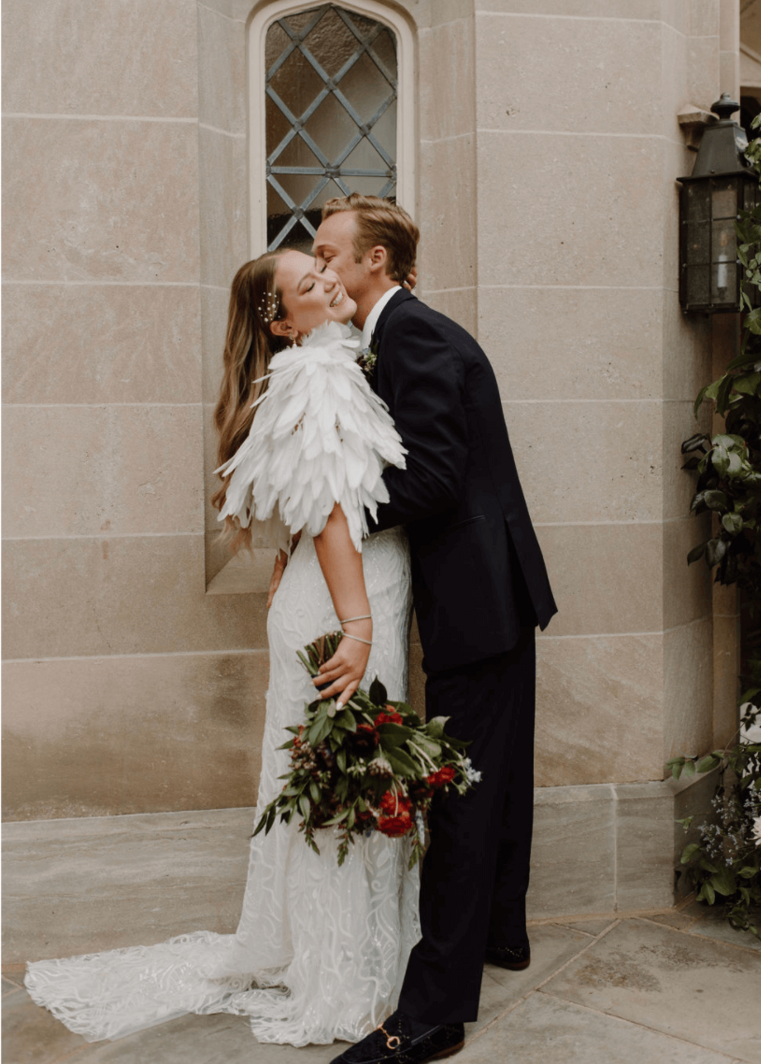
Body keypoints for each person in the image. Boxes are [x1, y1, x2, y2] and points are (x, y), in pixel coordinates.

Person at [23, 248, 421, 1047]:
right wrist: (359, 626)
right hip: (347, 607)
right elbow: (335, 513)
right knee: (346, 780)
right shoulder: (316, 376)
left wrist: (295, 566)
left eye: (323, 268)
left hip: (336, 593)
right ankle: (341, 974)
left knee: (341, 779)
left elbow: (308, 503)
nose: (330, 282)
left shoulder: (326, 365)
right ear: (281, 321)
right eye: (309, 285)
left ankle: (341, 954)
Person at [310, 194, 557, 1064]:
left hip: (475, 597)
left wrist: (336, 508)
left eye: (331, 253)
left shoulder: (409, 335)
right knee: (497, 778)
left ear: (377, 260)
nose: (320, 267)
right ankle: (503, 933)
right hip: (495, 587)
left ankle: (433, 1014)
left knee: (460, 793)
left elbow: (439, 475)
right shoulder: (408, 330)